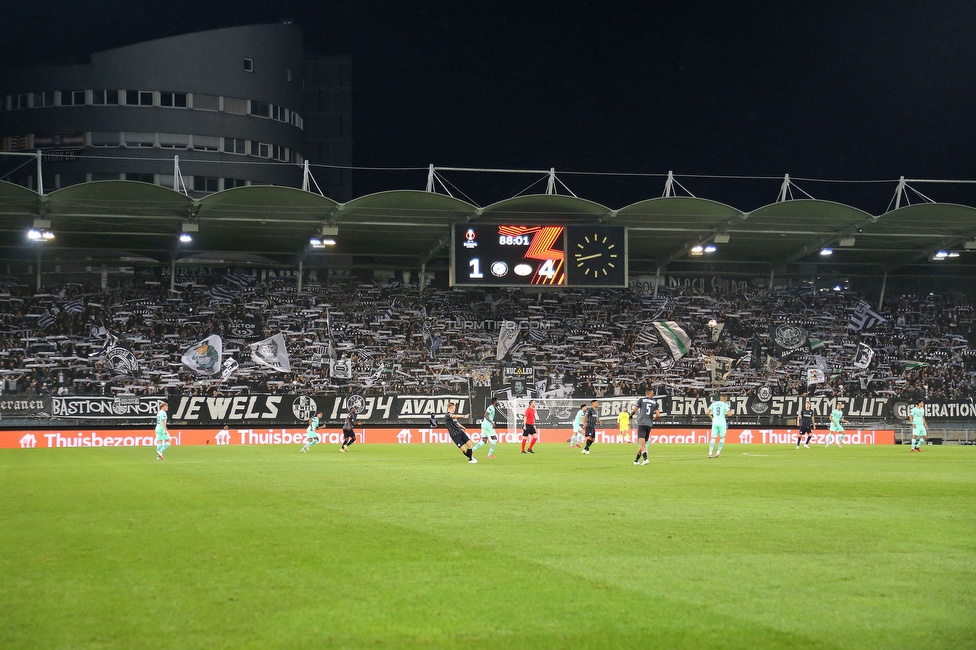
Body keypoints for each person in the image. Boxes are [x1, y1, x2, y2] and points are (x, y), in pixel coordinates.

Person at [630, 388, 660, 465]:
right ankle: (636, 460)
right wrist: (652, 420)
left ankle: (645, 458)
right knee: (643, 443)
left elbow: (635, 410)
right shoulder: (655, 402)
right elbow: (658, 415)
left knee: (641, 442)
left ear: (646, 393)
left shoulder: (641, 400)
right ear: (651, 393)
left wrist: (631, 415)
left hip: (642, 423)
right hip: (649, 424)